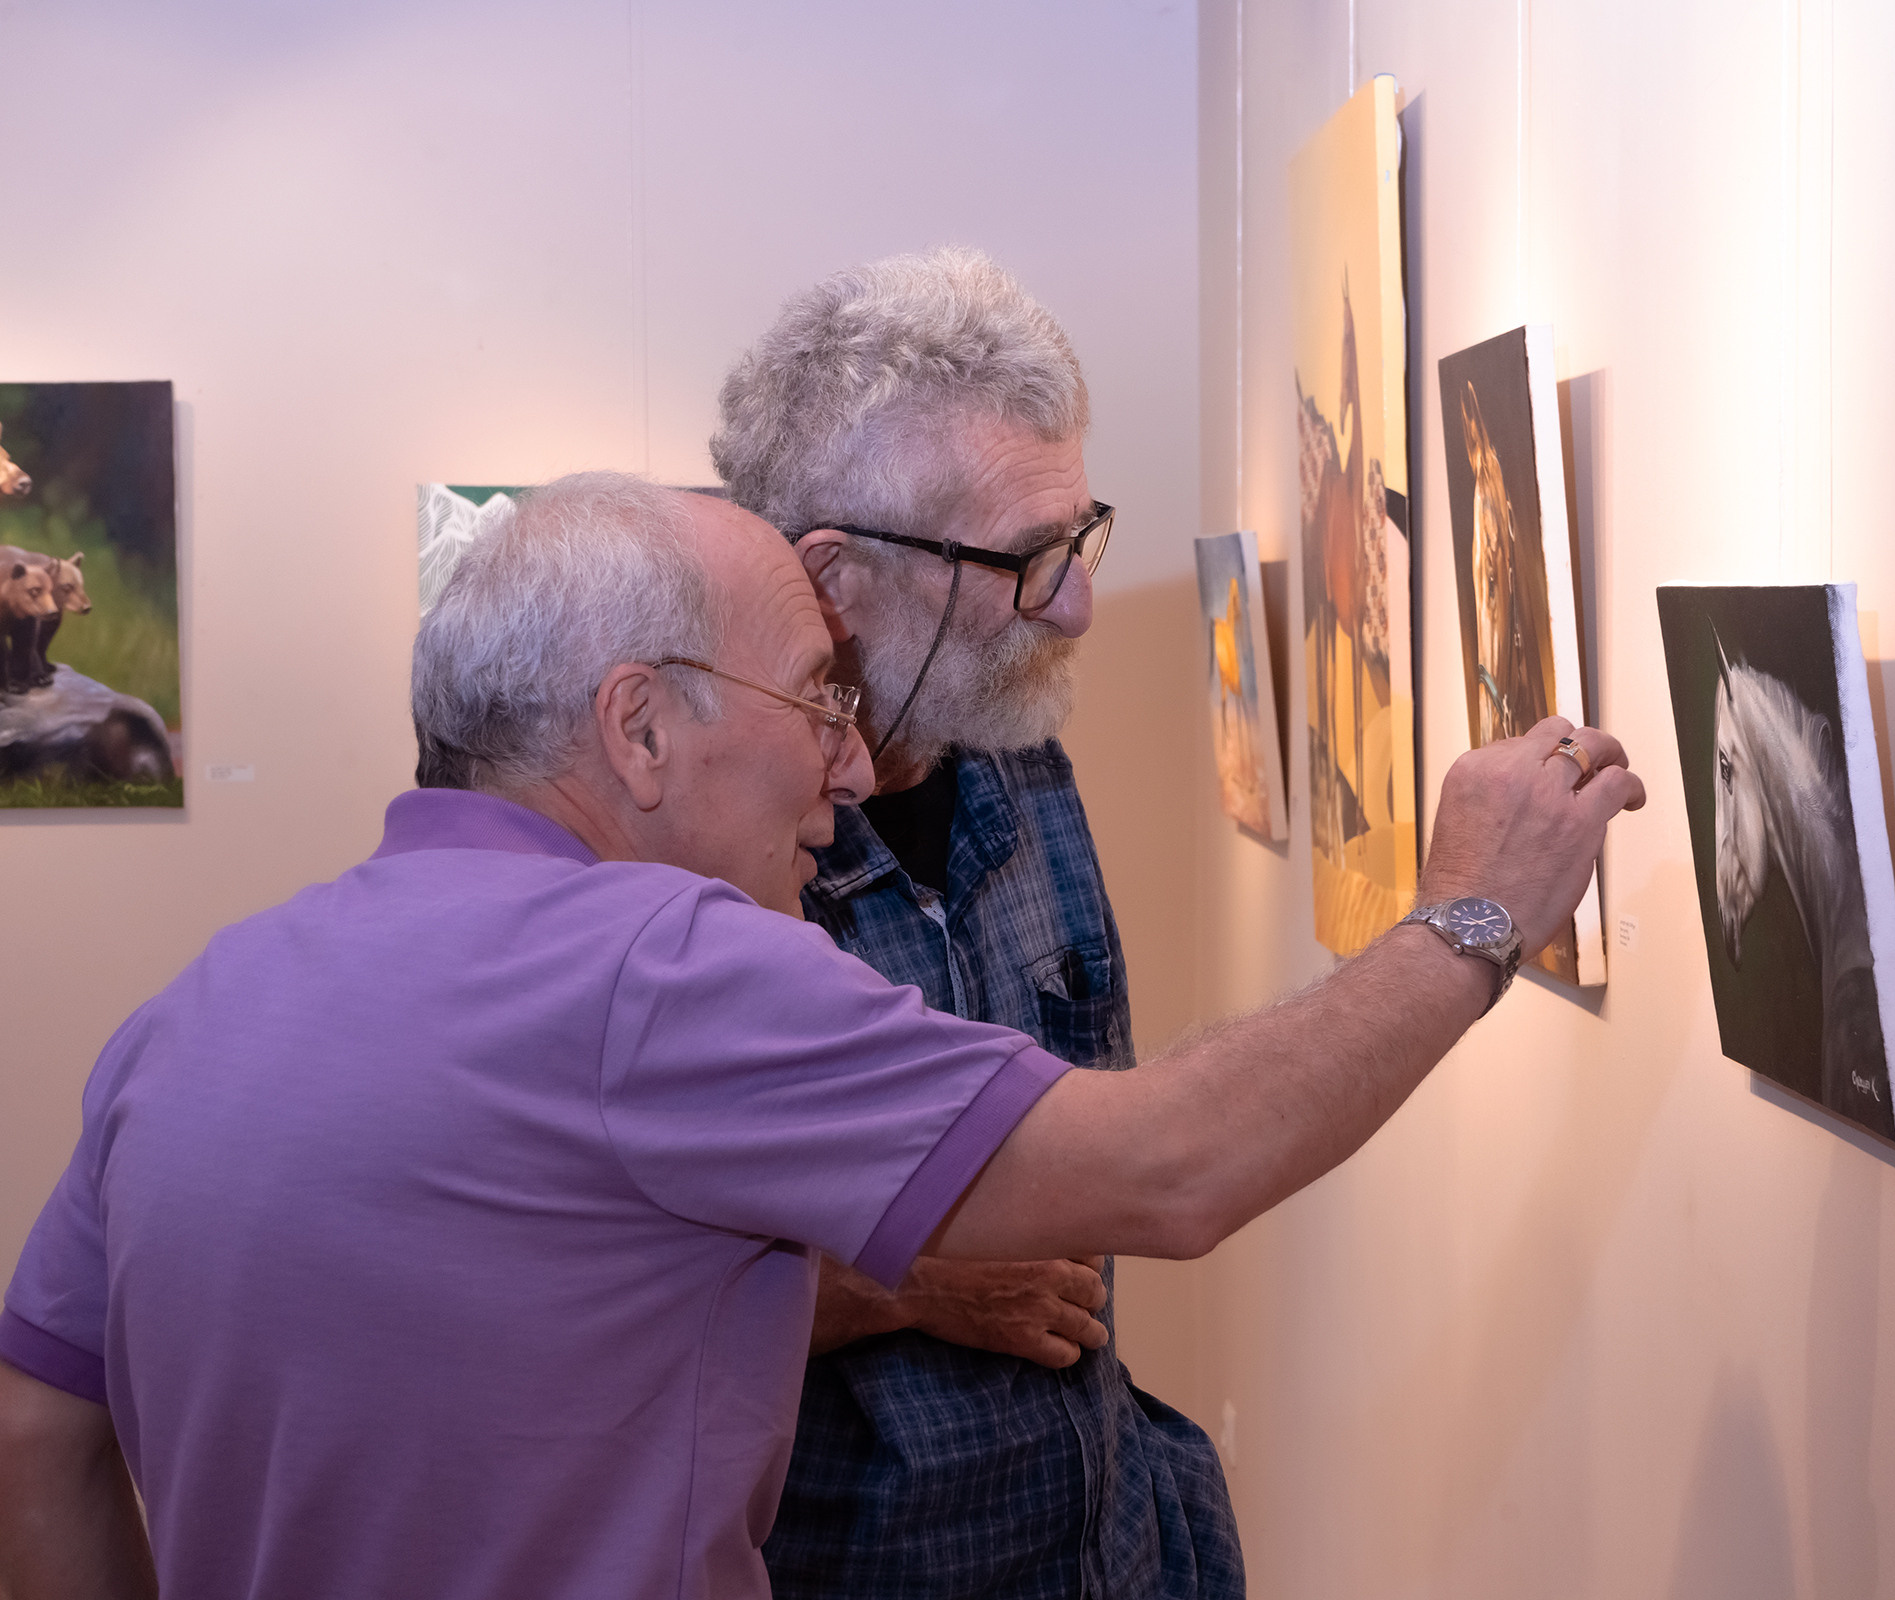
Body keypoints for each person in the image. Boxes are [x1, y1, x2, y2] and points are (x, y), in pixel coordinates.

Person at [0, 473, 1643, 1600]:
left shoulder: (193, 1011)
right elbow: (1173, 1168)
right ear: (639, 726)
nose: (851, 774)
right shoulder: (657, 968)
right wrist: (1472, 915)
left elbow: (36, 1441)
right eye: (817, 704)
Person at [711, 247, 1233, 1599]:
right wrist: (907, 1282)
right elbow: (590, 1286)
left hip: (1100, 1542)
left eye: (1077, 536)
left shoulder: (1014, 751)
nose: (1076, 605)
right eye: (1023, 561)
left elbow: (1104, 1157)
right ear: (834, 579)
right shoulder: (673, 844)